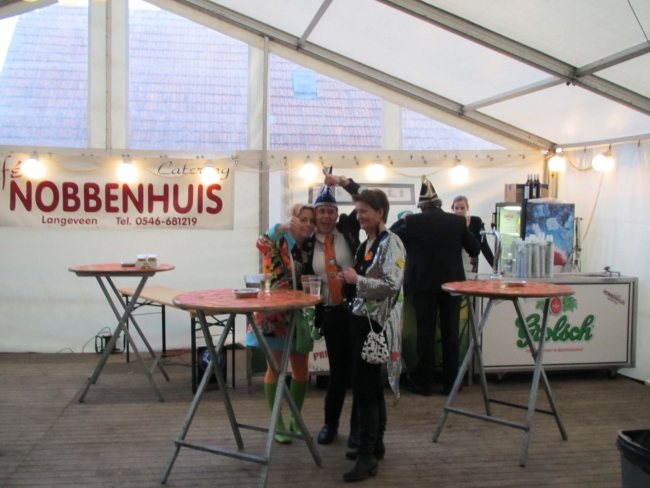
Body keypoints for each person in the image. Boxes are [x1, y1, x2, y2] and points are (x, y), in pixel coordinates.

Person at [268, 170, 363, 448]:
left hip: (357, 311)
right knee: (337, 375)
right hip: (330, 313)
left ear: (337, 214)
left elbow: (363, 198)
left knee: (359, 374)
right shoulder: (306, 243)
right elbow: (269, 244)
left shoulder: (349, 229)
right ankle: (330, 425)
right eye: (321, 211)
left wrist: (343, 182)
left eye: (330, 211)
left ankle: (357, 430)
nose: (325, 217)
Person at [336, 187, 405, 483]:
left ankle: (366, 457)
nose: (358, 216)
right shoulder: (369, 242)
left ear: (380, 213)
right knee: (370, 387)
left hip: (375, 326)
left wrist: (358, 280)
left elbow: (391, 284)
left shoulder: (392, 243)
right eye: (357, 211)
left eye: (363, 211)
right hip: (362, 322)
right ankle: (375, 445)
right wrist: (350, 279)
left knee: (365, 389)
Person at [391, 176, 479, 396]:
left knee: (425, 334)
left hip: (423, 285)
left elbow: (391, 238)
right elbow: (474, 249)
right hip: (452, 284)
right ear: (439, 204)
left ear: (421, 206)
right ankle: (451, 383)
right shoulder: (457, 222)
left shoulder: (413, 222)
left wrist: (404, 220)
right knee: (450, 335)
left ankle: (424, 383)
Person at [244, 203, 316, 444]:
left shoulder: (308, 246)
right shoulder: (279, 241)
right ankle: (278, 421)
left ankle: (295, 417)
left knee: (301, 369)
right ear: (292, 219)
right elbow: (261, 243)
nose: (308, 224)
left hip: (299, 315)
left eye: (311, 220)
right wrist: (280, 227)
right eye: (303, 219)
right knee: (275, 368)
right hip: (274, 316)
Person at [451, 195, 494, 274]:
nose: (459, 211)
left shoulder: (476, 221)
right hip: (456, 262)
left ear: (467, 208)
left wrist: (495, 266)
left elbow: (484, 245)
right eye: (456, 208)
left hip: (471, 261)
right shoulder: (450, 223)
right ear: (453, 209)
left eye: (462, 208)